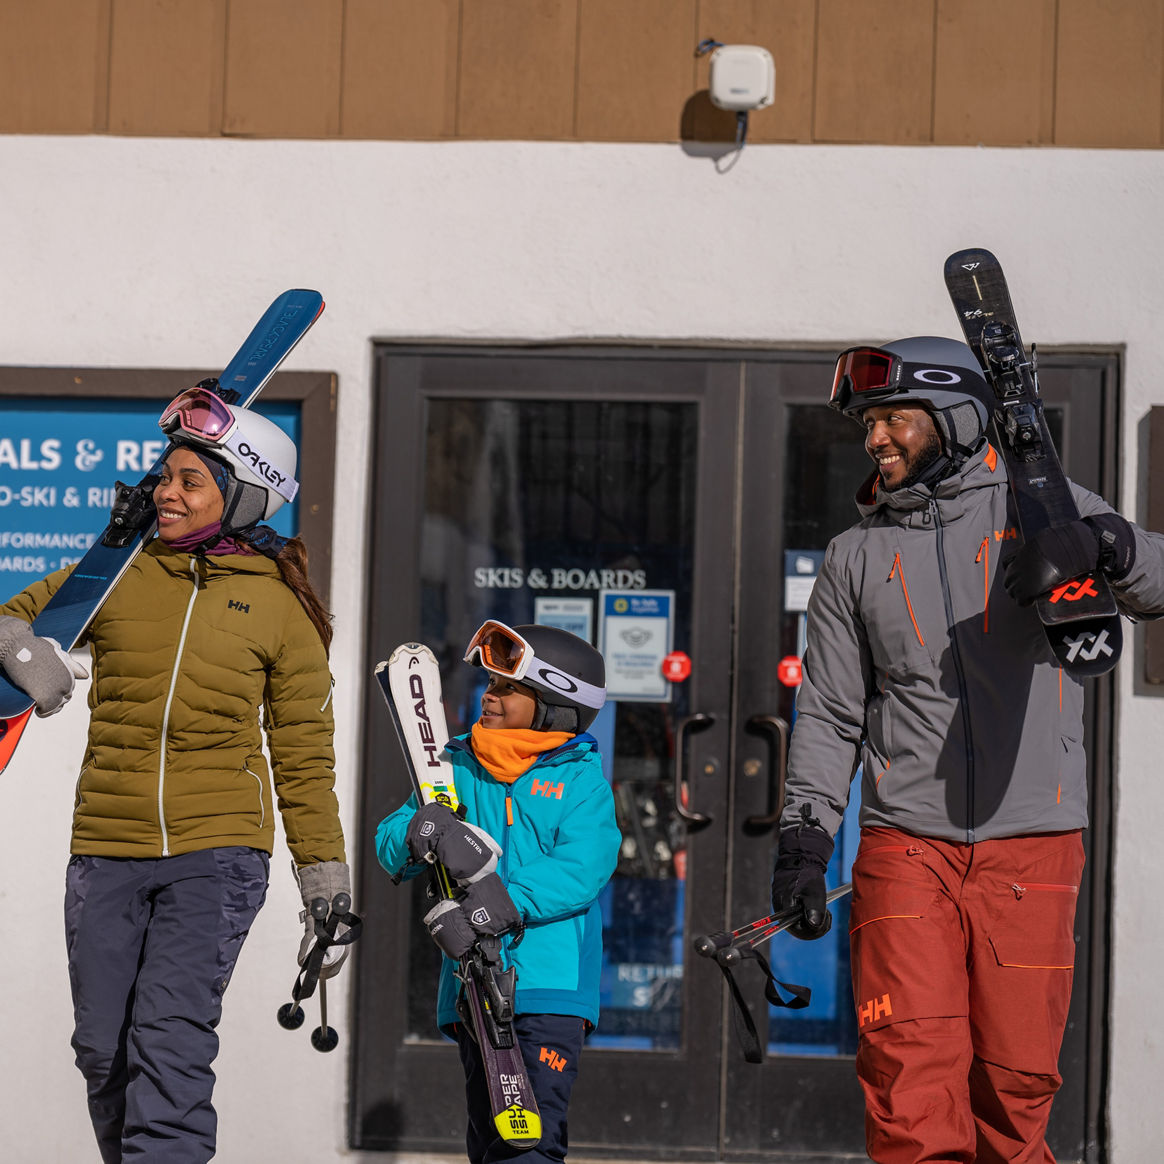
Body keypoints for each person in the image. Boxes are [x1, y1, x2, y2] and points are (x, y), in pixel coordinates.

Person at [769, 337, 1164, 1164]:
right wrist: (805, 840)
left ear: (952, 414)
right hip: (907, 842)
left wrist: (1105, 549)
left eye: (891, 419)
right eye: (866, 424)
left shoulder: (1043, 508)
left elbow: (1157, 581)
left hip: (1035, 843)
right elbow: (831, 713)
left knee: (1015, 1089)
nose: (875, 438)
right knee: (910, 1075)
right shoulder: (854, 557)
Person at [0, 385, 350, 1163]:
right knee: (102, 1050)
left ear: (239, 495)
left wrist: (324, 880)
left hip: (218, 854)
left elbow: (303, 755)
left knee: (168, 1037)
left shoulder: (280, 610)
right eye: (166, 476)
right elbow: (12, 615)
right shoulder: (118, 576)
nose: (166, 492)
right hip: (106, 846)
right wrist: (22, 652)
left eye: (190, 481)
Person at [375, 620, 622, 1164]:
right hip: (472, 984)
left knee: (527, 1138)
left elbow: (586, 864)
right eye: (489, 686)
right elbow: (390, 848)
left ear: (556, 702)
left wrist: (500, 904)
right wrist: (420, 830)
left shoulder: (580, 779)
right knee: (490, 1138)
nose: (489, 697)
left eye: (507, 689)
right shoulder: (455, 765)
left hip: (547, 988)